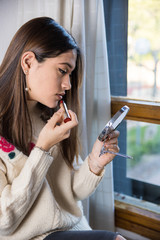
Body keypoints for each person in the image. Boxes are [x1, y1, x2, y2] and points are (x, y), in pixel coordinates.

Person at [0, 17, 126, 240]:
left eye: (70, 74)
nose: (68, 84)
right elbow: (3, 222)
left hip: (73, 230)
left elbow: (70, 192)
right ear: (28, 63)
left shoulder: (51, 117)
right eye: (62, 71)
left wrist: (94, 164)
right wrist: (43, 149)